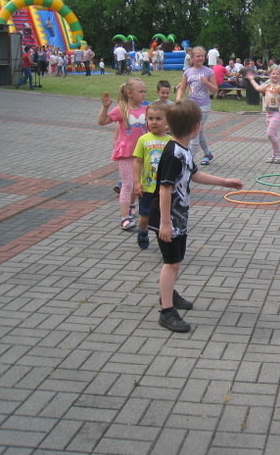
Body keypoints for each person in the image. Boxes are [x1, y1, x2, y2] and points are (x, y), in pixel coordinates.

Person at [149, 100, 243, 332]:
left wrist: (225, 182)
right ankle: (166, 311)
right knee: (171, 263)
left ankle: (169, 294)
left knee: (176, 260)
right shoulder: (173, 154)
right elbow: (164, 189)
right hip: (168, 219)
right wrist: (165, 223)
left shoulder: (183, 150)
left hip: (177, 217)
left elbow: (194, 174)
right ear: (196, 127)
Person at [98, 78, 148, 230]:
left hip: (142, 152)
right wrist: (105, 107)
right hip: (126, 153)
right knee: (127, 184)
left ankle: (132, 206)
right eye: (140, 91)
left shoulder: (147, 109)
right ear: (129, 93)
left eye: (145, 91)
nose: (144, 94)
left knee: (138, 183)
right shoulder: (121, 109)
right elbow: (102, 121)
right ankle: (124, 218)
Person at [132, 101, 171, 250]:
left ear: (168, 121)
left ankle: (164, 239)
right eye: (150, 118)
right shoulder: (143, 139)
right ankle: (142, 231)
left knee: (163, 216)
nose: (154, 122)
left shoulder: (171, 141)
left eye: (158, 118)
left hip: (164, 188)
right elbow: (137, 161)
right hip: (147, 187)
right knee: (145, 216)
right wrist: (136, 182)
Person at [176, 46, 217, 166]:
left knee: (194, 129)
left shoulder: (209, 71)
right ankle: (208, 153)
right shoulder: (188, 72)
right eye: (198, 56)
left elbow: (215, 90)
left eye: (202, 56)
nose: (200, 58)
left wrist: (207, 82)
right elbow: (182, 88)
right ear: (192, 58)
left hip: (204, 105)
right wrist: (178, 100)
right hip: (192, 105)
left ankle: (190, 160)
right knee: (199, 130)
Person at [246, 66, 280, 163]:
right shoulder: (268, 85)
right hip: (269, 114)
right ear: (269, 75)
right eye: (273, 73)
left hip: (277, 113)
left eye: (277, 74)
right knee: (274, 135)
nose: (275, 75)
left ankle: (279, 150)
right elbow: (258, 88)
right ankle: (275, 156)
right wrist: (251, 79)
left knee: (270, 134)